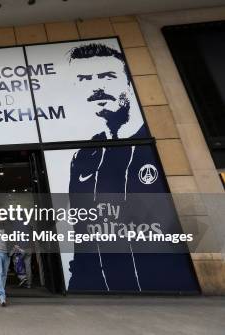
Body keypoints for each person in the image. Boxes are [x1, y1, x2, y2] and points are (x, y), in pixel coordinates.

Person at [66, 43, 197, 292]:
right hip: (97, 293)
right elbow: (83, 235)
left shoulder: (151, 145)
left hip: (167, 286)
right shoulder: (83, 156)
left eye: (107, 76)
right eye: (84, 79)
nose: (96, 87)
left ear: (129, 82)